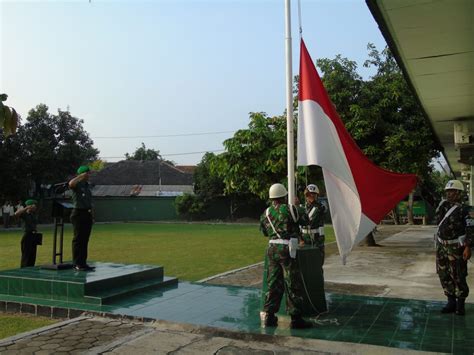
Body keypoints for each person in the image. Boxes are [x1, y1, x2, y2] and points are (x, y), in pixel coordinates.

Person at [259, 183, 312, 329]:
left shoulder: (266, 213)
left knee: (273, 283)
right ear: (284, 196)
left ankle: (269, 316)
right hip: (287, 249)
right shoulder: (290, 209)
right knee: (292, 282)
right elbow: (306, 220)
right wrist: (298, 205)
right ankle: (296, 319)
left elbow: (264, 232)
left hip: (272, 249)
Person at [435, 180, 472, 316]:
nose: (449, 194)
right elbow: (432, 199)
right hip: (441, 246)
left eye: (452, 191)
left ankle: (460, 305)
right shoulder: (443, 206)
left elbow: (470, 229)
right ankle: (451, 302)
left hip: (456, 248)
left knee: (458, 275)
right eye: (448, 191)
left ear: (459, 193)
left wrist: (468, 247)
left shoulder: (466, 210)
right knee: (443, 274)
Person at [69, 165, 95, 271]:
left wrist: (92, 216)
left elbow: (90, 202)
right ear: (83, 174)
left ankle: (83, 262)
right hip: (78, 213)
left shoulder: (87, 185)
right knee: (78, 239)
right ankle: (77, 263)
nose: (89, 175)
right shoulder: (77, 184)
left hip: (87, 213)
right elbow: (70, 184)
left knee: (85, 240)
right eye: (88, 173)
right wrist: (80, 176)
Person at [300, 184, 328, 262]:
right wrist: (300, 239)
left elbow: (320, 211)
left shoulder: (321, 207)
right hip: (304, 238)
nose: (311, 196)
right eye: (309, 194)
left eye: (314, 194)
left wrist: (313, 202)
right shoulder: (302, 207)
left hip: (317, 238)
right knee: (305, 262)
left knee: (318, 262)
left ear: (317, 196)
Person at [15, 199, 40, 267]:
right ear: (30, 206)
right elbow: (16, 214)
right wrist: (26, 208)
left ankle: (31, 268)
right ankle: (24, 269)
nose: (36, 207)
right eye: (34, 205)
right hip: (27, 236)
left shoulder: (34, 214)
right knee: (26, 255)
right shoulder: (24, 214)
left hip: (34, 235)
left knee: (33, 255)